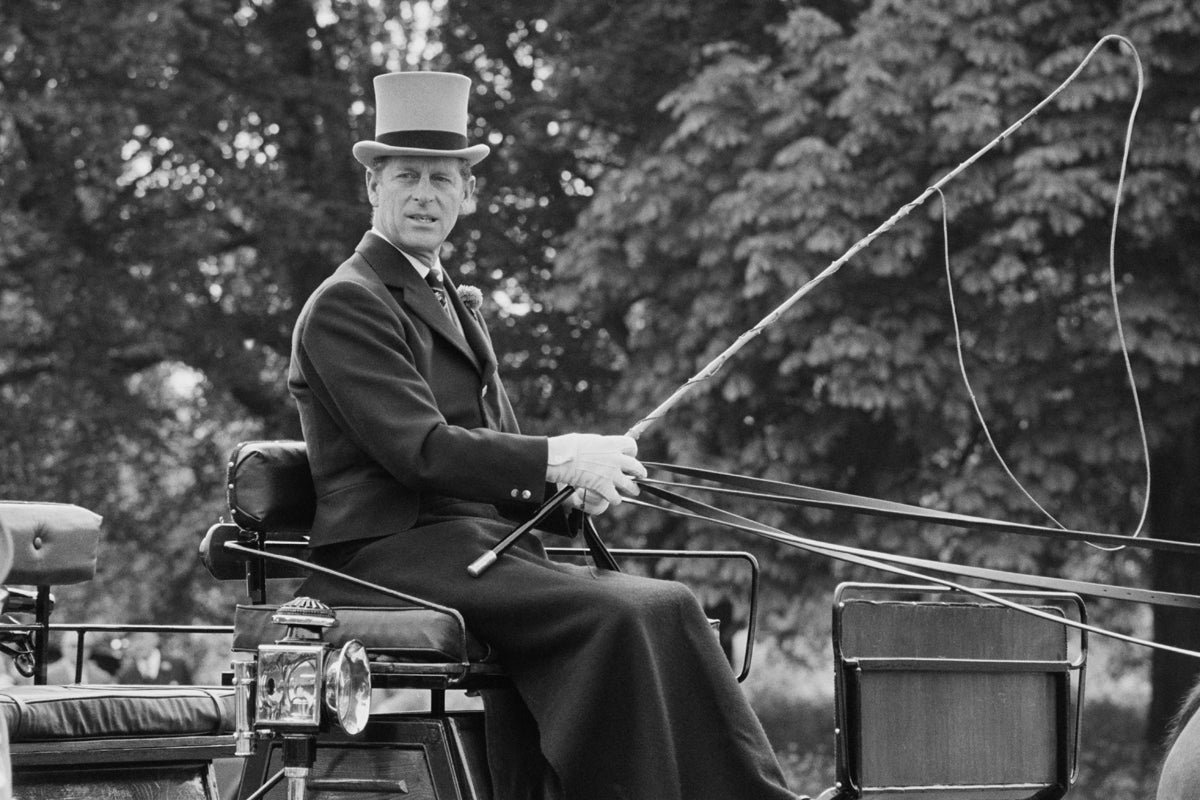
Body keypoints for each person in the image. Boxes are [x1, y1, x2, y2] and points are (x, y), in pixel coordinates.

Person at [288, 70, 804, 800]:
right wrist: (562, 455)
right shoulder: (349, 302)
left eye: (443, 178)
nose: (426, 194)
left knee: (673, 603)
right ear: (373, 186)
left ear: (468, 193)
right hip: (388, 552)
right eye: (406, 175)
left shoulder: (449, 297)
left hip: (472, 545)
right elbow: (422, 451)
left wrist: (572, 493)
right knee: (615, 614)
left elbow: (497, 446)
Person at [115, 631, 192, 686]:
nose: (139, 644)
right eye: (133, 640)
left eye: (141, 638)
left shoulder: (178, 665)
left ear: (155, 638)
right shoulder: (126, 675)